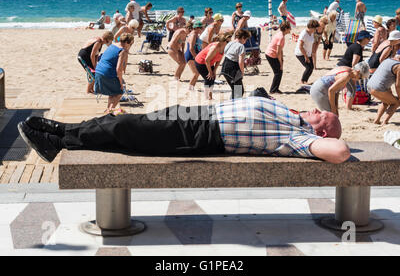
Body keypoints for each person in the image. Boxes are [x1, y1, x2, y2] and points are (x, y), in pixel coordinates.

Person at [18, 97, 350, 165]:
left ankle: (59, 142)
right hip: (203, 114)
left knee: (126, 126)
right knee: (135, 121)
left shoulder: (299, 137)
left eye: (323, 116)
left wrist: (329, 140)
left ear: (321, 133)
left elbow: (339, 152)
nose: (317, 110)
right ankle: (63, 130)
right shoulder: (292, 114)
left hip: (206, 134)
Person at [94, 33, 134, 114]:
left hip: (98, 71)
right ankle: (109, 111)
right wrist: (120, 83)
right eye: (131, 43)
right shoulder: (122, 51)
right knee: (119, 92)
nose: (131, 45)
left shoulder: (113, 45)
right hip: (107, 74)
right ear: (127, 43)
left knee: (112, 93)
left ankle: (109, 109)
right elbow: (118, 69)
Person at [195, 32, 232, 100]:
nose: (229, 43)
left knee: (213, 78)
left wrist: (214, 71)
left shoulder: (224, 47)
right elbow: (207, 60)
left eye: (230, 41)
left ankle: (210, 96)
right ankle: (207, 97)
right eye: (227, 41)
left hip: (209, 62)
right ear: (222, 41)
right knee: (208, 78)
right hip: (201, 62)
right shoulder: (215, 47)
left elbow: (219, 60)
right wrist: (210, 72)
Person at [368, 57, 400, 125]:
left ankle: (376, 120)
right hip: (378, 88)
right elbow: (398, 85)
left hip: (370, 85)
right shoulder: (398, 66)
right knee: (396, 103)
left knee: (386, 102)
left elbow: (384, 75)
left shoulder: (388, 60)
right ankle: (385, 122)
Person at [220, 29, 251, 99]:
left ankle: (231, 103)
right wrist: (242, 72)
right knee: (239, 91)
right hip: (233, 69)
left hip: (224, 67)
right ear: (243, 38)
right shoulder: (241, 46)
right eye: (246, 39)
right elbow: (240, 62)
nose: (245, 41)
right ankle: (232, 106)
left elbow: (224, 52)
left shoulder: (230, 43)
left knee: (235, 89)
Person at [265, 21, 292, 94]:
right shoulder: (281, 37)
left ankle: (275, 89)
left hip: (271, 54)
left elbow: (280, 49)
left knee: (279, 72)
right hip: (271, 55)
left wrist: (282, 60)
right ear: (286, 29)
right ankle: (273, 90)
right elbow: (278, 52)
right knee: (278, 72)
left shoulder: (280, 34)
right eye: (289, 28)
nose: (290, 29)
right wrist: (280, 62)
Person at [295, 20, 320, 84]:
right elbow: (300, 46)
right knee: (308, 67)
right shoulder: (304, 34)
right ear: (311, 27)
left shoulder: (311, 33)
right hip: (300, 53)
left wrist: (311, 53)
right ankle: (302, 81)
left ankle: (305, 81)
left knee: (311, 67)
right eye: (315, 28)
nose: (316, 30)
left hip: (308, 53)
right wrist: (306, 56)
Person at [185, 21, 204, 91]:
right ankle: (190, 88)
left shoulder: (195, 34)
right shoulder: (193, 35)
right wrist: (196, 57)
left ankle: (192, 87)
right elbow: (191, 48)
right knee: (195, 73)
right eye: (201, 28)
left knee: (197, 73)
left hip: (193, 55)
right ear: (196, 28)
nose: (202, 29)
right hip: (191, 55)